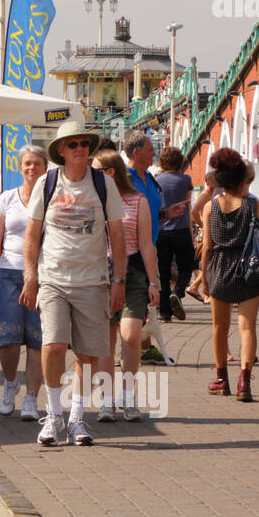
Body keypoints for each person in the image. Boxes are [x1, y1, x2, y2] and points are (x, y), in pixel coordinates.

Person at [20, 122, 127, 447]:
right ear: (62, 150)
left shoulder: (103, 183)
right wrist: (30, 275)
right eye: (73, 144)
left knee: (86, 354)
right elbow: (32, 234)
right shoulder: (47, 182)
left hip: (93, 280)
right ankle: (53, 415)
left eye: (84, 143)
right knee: (52, 346)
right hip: (52, 278)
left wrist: (119, 280)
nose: (80, 148)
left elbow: (118, 236)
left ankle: (77, 418)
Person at [0, 145, 47, 421]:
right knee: (7, 339)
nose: (32, 168)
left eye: (37, 164)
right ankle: (10, 384)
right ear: (20, 167)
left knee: (37, 341)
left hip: (43, 276)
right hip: (10, 273)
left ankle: (31, 398)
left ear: (46, 168)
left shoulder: (52, 197)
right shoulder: (7, 199)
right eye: (27, 164)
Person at [93, 149, 159, 421]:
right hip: (100, 271)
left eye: (96, 170)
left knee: (130, 336)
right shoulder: (94, 201)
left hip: (132, 271)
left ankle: (128, 395)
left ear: (110, 172)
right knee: (105, 341)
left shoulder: (137, 200)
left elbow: (146, 243)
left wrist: (154, 281)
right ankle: (108, 399)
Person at [201, 152, 259, 401]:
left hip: (219, 267)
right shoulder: (255, 206)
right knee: (247, 326)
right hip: (248, 268)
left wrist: (204, 278)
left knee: (219, 327)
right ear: (243, 179)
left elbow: (207, 246)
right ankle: (244, 381)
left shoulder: (210, 207)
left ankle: (221, 378)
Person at [122, 132, 172, 363]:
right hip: (129, 253)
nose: (155, 153)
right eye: (151, 149)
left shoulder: (149, 178)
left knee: (144, 306)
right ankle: (134, 347)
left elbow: (150, 212)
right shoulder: (125, 178)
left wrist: (167, 214)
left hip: (149, 246)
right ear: (136, 152)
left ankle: (143, 347)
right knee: (136, 307)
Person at [154, 146, 196, 323]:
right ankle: (177, 292)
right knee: (186, 266)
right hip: (181, 230)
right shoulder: (185, 179)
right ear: (180, 161)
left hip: (162, 231)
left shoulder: (156, 180)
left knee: (163, 272)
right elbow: (188, 206)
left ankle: (165, 313)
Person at [186, 169, 218, 304]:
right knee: (209, 259)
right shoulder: (205, 195)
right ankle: (196, 287)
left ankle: (195, 287)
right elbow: (193, 211)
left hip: (210, 231)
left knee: (211, 261)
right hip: (207, 233)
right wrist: (204, 226)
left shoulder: (212, 194)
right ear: (208, 182)